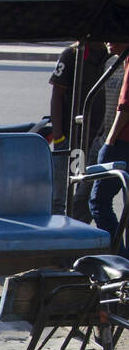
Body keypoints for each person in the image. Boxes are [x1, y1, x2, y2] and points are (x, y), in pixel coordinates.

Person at [49, 40, 110, 221]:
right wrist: (59, 137)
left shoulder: (112, 56)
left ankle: (77, 236)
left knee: (86, 195)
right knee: (61, 196)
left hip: (95, 142)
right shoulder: (72, 55)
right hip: (72, 140)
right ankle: (57, 238)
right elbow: (57, 96)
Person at [91, 50, 129, 257]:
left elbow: (125, 107)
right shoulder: (116, 62)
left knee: (98, 202)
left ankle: (121, 260)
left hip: (122, 143)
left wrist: (109, 141)